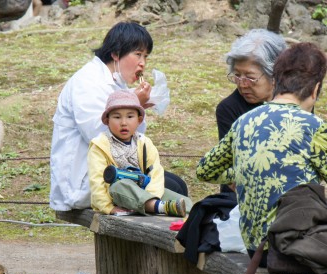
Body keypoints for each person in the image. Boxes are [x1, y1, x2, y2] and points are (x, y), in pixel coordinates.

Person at [196, 41, 327, 262]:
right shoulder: (314, 126)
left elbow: (204, 171)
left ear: (275, 81)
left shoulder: (243, 122)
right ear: (315, 90)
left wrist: (245, 172)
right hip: (294, 248)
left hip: (255, 249)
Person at [50, 21, 188, 212]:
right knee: (171, 188)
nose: (143, 63)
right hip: (86, 180)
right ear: (115, 53)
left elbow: (130, 139)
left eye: (146, 57)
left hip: (118, 170)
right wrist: (133, 103)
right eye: (138, 54)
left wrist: (137, 112)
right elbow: (98, 137)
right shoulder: (88, 82)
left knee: (176, 183)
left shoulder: (116, 83)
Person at [87, 90, 192, 217]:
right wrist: (108, 207)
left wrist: (152, 196)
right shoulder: (100, 145)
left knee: (186, 203)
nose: (123, 122)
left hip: (145, 192)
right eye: (117, 117)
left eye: (130, 117)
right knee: (119, 185)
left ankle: (195, 215)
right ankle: (157, 206)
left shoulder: (144, 143)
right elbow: (97, 181)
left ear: (139, 120)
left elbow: (156, 173)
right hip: (119, 197)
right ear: (107, 120)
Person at [216, 28, 287, 141]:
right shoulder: (230, 109)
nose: (242, 85)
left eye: (250, 78)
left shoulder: (296, 99)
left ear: (275, 74)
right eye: (237, 75)